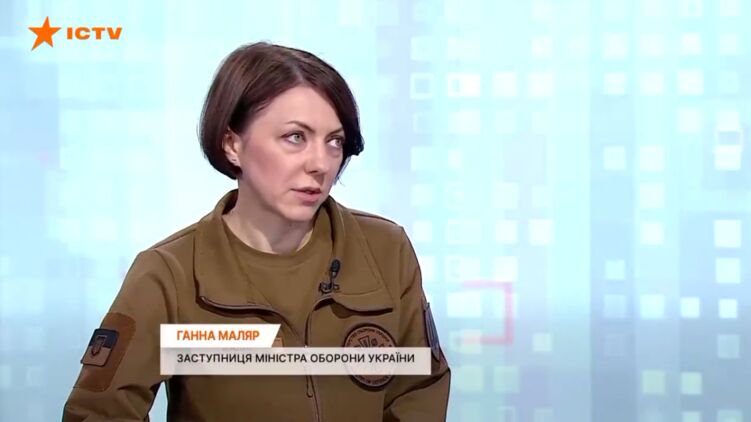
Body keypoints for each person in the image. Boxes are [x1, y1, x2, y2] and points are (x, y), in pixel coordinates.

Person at [62, 41, 451, 421]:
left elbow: (419, 388)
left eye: (334, 141)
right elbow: (97, 413)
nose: (320, 163)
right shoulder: (169, 273)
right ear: (232, 144)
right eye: (295, 137)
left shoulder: (385, 250)